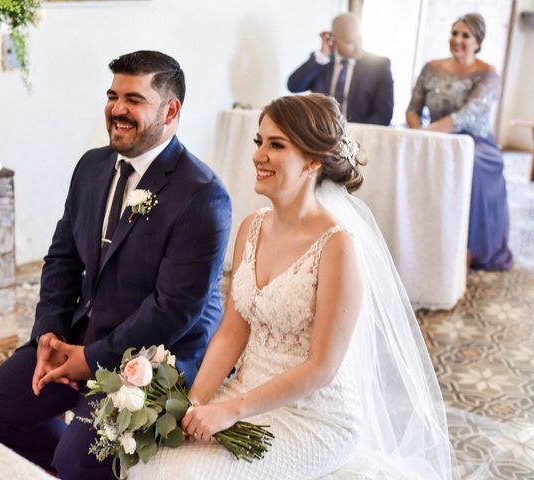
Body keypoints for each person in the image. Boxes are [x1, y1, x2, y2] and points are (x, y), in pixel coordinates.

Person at [127, 94, 454, 479]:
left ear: (314, 160)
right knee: (151, 461)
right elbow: (233, 330)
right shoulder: (251, 227)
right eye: (259, 142)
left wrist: (229, 411)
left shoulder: (338, 247)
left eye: (276, 145)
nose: (258, 155)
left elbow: (322, 367)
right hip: (245, 392)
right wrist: (194, 402)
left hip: (315, 417)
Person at [0, 50, 232, 479]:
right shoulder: (92, 166)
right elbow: (62, 259)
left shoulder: (202, 195)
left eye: (134, 99)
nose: (117, 109)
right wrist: (49, 334)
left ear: (171, 110)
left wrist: (90, 359)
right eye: (112, 95)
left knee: (78, 461)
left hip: (154, 355)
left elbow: (173, 311)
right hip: (81, 332)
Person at [407, 13, 513, 271]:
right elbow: (412, 109)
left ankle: (469, 249)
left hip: (476, 143)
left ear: (478, 42)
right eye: (454, 33)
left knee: (472, 164)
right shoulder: (431, 67)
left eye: (465, 35)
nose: (457, 39)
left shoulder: (488, 74)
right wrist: (417, 132)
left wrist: (427, 134)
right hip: (433, 136)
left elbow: (465, 116)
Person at [287, 13, 394, 126]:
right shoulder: (322, 62)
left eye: (359, 38)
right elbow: (293, 86)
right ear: (334, 40)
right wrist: (322, 56)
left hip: (362, 136)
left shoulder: (379, 66)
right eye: (350, 42)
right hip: (322, 135)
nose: (358, 46)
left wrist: (356, 135)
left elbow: (384, 115)